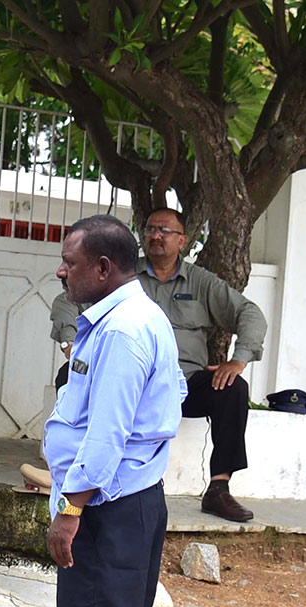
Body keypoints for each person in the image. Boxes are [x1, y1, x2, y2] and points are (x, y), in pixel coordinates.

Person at [9, 215, 185, 607]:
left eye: (71, 261)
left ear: (104, 269)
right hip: (116, 507)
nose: (61, 270)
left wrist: (70, 512)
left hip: (108, 511)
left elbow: (107, 437)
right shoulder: (120, 321)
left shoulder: (126, 332)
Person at [48, 207, 267, 521]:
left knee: (233, 389)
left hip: (183, 382)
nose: (155, 236)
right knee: (69, 375)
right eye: (150, 229)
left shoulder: (202, 282)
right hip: (125, 378)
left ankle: (219, 488)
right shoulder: (122, 275)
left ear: (182, 241)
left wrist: (239, 359)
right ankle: (71, 470)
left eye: (165, 231)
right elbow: (65, 303)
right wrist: (70, 343)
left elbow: (250, 313)